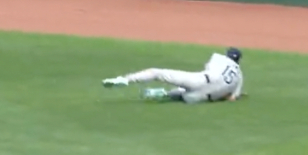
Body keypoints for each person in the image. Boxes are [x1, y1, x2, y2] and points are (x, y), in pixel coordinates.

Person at [102, 47, 244, 104]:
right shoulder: (239, 76)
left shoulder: (219, 58)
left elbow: (208, 70)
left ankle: (124, 80)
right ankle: (158, 94)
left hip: (200, 80)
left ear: (228, 56)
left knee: (156, 73)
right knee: (183, 94)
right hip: (202, 98)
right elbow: (231, 98)